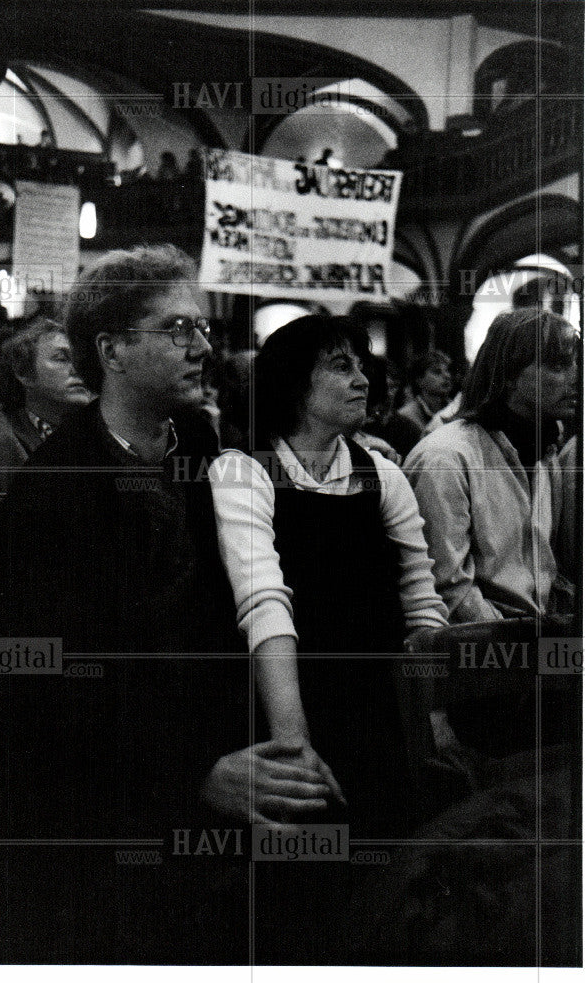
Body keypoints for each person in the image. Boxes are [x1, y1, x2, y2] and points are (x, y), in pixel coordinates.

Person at [0, 246, 331, 963]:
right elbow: (53, 690)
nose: (201, 346)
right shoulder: (52, 491)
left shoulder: (197, 441)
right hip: (115, 811)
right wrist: (196, 771)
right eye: (176, 330)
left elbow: (231, 603)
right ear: (113, 349)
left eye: (201, 327)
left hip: (221, 757)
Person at [209, 314, 448, 836]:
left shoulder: (383, 474)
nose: (363, 380)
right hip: (286, 699)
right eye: (342, 367)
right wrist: (293, 744)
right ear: (295, 384)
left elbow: (422, 603)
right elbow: (263, 601)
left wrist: (433, 721)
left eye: (361, 367)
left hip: (381, 707)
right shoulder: (241, 470)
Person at [404, 307, 578, 624]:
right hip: (481, 653)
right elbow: (449, 590)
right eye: (557, 365)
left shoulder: (545, 451)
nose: (575, 376)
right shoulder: (446, 457)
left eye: (575, 362)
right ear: (509, 374)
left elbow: (548, 571)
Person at [0, 316, 91, 494]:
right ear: (23, 372)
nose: (78, 369)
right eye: (62, 358)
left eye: (82, 359)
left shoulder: (107, 428)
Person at [398, 349, 454, 433]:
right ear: (419, 380)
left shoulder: (455, 409)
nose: (447, 376)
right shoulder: (406, 417)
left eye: (447, 371)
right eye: (437, 372)